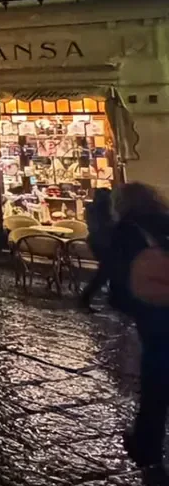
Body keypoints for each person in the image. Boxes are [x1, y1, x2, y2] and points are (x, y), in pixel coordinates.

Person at [106, 183, 169, 471]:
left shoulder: (125, 231)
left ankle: (147, 445)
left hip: (153, 311)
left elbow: (118, 274)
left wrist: (123, 303)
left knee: (155, 378)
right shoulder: (164, 224)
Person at [78, 187, 115, 310]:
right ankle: (86, 296)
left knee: (107, 270)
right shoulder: (107, 211)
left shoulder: (91, 209)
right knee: (106, 270)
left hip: (96, 242)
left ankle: (88, 297)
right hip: (105, 243)